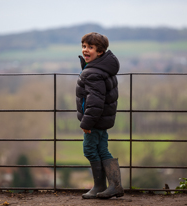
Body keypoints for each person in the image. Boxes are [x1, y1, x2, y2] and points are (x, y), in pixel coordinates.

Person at [76, 32, 124, 199]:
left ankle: (100, 186)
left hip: (95, 120)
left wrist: (86, 123)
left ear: (100, 52)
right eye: (84, 46)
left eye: (90, 47)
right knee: (102, 149)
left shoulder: (93, 72)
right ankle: (113, 186)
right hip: (102, 119)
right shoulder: (103, 68)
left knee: (89, 149)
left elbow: (94, 101)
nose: (85, 50)